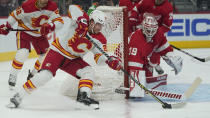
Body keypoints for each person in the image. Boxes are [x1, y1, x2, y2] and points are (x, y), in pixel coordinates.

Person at [7, 6, 121, 109]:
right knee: (45, 75)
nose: (99, 28)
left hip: (73, 59)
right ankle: (18, 97)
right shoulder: (81, 21)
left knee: (88, 71)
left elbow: (99, 58)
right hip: (57, 51)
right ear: (91, 21)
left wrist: (109, 61)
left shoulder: (100, 39)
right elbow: (72, 7)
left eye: (101, 25)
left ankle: (83, 97)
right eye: (98, 24)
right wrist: (81, 19)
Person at [0, 0, 64, 89]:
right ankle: (13, 75)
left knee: (45, 57)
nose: (45, 2)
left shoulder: (52, 6)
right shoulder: (27, 5)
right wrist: (7, 25)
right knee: (23, 53)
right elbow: (14, 15)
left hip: (39, 34)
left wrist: (51, 26)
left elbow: (60, 22)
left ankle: (33, 75)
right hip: (25, 31)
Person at [128, 14, 182, 97]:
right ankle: (123, 81)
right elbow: (133, 66)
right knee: (136, 90)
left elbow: (164, 49)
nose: (151, 33)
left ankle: (148, 69)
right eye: (148, 30)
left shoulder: (159, 33)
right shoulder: (136, 40)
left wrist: (170, 55)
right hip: (125, 59)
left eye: (153, 30)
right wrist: (137, 85)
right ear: (143, 27)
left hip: (143, 58)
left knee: (148, 77)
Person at [128, 0, 174, 76]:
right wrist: (133, 19)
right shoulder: (146, 1)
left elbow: (166, 26)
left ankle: (153, 64)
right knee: (140, 50)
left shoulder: (168, 7)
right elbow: (136, 9)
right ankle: (143, 64)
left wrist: (156, 34)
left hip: (157, 31)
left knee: (155, 48)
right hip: (141, 28)